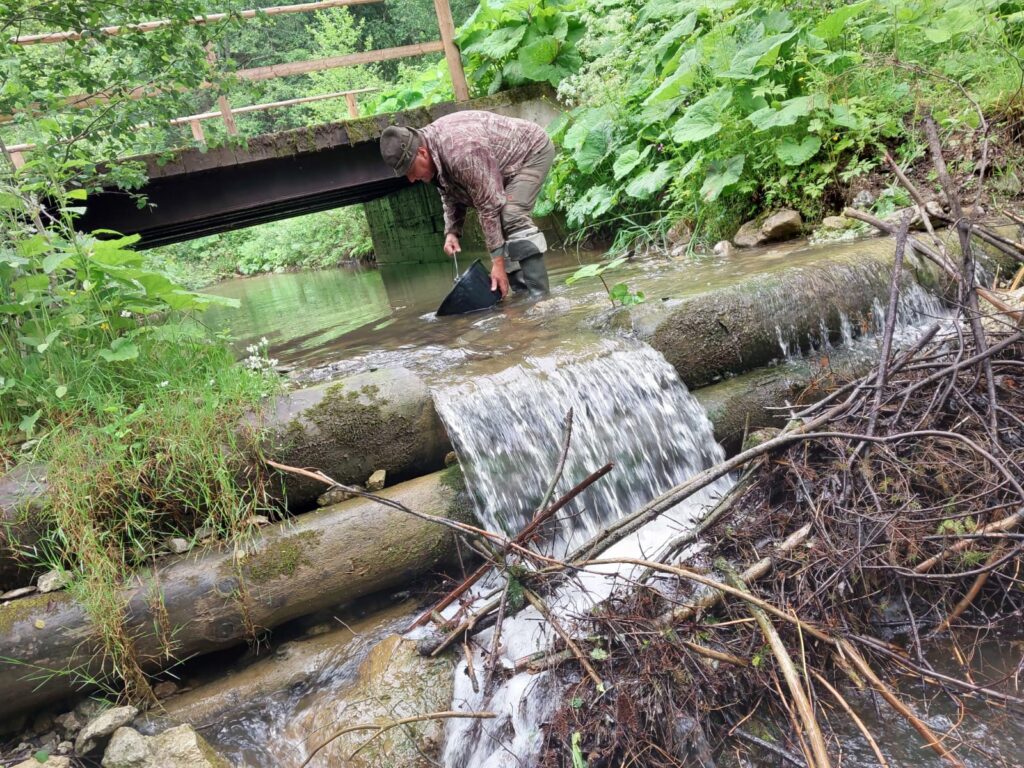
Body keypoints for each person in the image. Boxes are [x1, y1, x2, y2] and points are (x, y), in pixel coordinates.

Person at [379, 111, 555, 298]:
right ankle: (524, 295)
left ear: (422, 153)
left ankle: (540, 299)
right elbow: (449, 191)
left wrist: (497, 263)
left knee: (511, 215)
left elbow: (489, 206)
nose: (412, 179)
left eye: (411, 170)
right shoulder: (432, 150)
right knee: (501, 224)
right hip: (499, 168)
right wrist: (452, 231)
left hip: (531, 152)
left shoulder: (462, 151)